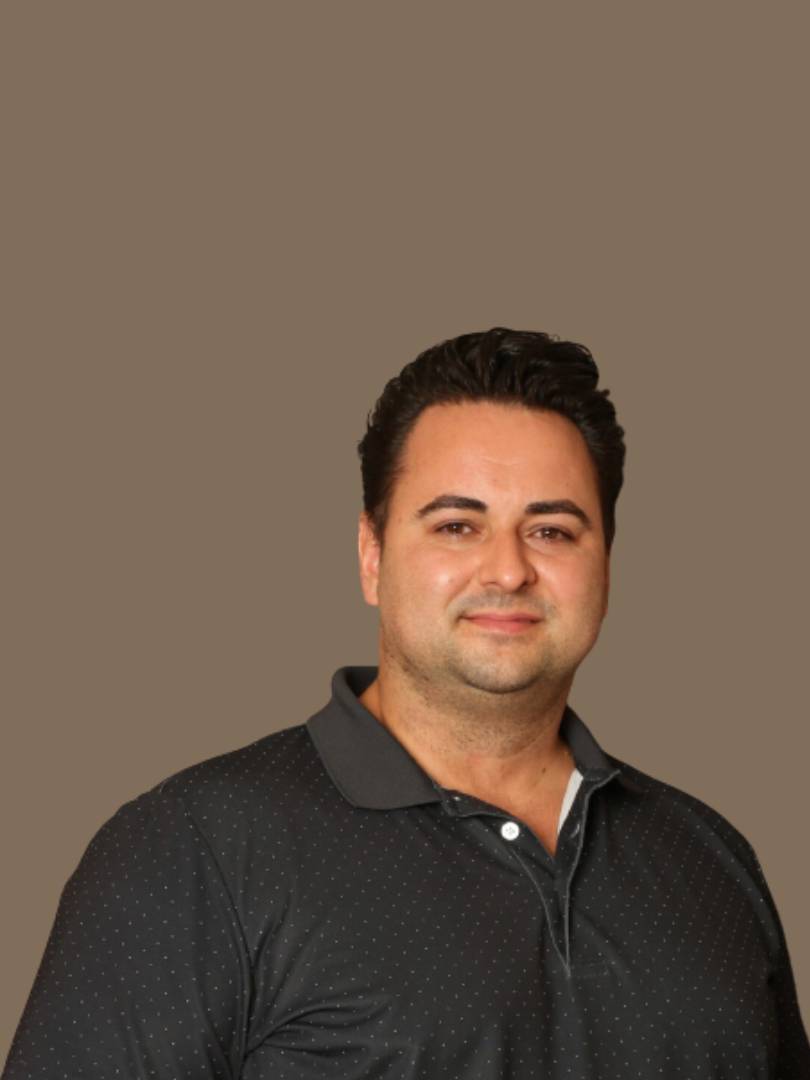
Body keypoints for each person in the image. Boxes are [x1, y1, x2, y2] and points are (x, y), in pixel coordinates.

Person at [3, 327, 808, 1079]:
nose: (508, 570)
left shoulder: (711, 860)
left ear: (605, 564)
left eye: (553, 531)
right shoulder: (192, 853)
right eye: (458, 526)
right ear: (372, 556)